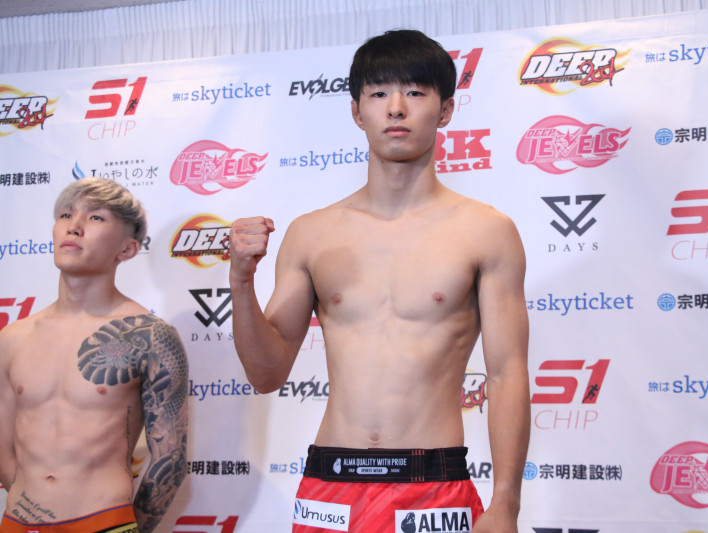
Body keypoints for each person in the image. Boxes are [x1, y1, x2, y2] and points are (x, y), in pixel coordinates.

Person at [230, 29, 530, 532]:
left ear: (446, 110)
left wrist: (506, 503)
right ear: (357, 112)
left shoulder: (486, 231)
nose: (396, 108)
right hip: (330, 484)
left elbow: (506, 374)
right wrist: (241, 283)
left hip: (434, 487)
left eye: (414, 92)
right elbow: (267, 375)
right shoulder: (311, 233)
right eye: (378, 93)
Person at [0, 178, 189, 533]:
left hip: (103, 522)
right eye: (66, 214)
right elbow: (4, 449)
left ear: (127, 249)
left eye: (96, 217)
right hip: (19, 523)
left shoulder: (150, 337)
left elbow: (170, 459)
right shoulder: (13, 337)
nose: (74, 226)